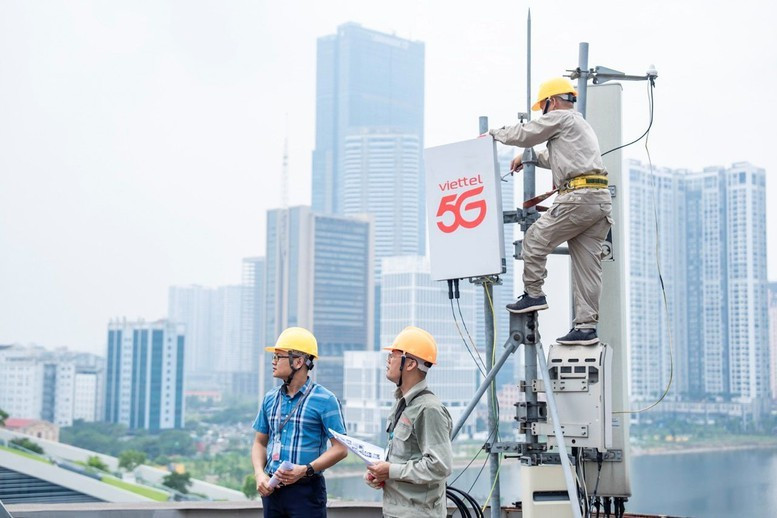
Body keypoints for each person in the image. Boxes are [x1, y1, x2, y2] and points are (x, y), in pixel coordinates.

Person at [489, 76, 613, 346]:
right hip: (598, 201)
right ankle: (586, 327)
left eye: (543, 109)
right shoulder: (580, 125)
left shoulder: (561, 117)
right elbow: (558, 156)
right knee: (587, 269)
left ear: (552, 102)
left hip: (578, 198)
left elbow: (525, 134)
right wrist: (529, 158)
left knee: (534, 239)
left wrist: (494, 134)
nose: (542, 115)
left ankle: (534, 294)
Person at [250, 327, 347, 517]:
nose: (273, 361)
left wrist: (305, 470)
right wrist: (259, 474)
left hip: (307, 492)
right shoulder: (270, 398)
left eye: (278, 356)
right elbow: (259, 443)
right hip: (272, 491)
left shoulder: (325, 400)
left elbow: (341, 449)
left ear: (299, 361)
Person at [364, 326, 452, 518]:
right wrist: (380, 473)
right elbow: (404, 457)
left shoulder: (428, 409)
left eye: (393, 355)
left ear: (410, 364)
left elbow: (440, 466)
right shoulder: (402, 403)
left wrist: (391, 471)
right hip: (396, 511)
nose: (388, 360)